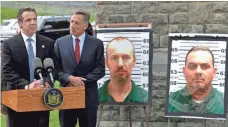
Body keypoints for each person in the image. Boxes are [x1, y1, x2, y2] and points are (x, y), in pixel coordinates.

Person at [1, 7, 54, 127]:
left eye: (35, 19)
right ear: (20, 24)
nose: (33, 22)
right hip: (18, 98)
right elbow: (7, 70)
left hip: (41, 98)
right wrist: (27, 85)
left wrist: (45, 82)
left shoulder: (48, 43)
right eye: (28, 20)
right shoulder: (9, 44)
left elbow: (53, 68)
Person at [54, 10, 105, 127]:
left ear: (85, 25)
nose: (72, 25)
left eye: (76, 23)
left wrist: (81, 81)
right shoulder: (59, 43)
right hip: (67, 96)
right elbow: (55, 69)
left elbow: (100, 69)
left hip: (88, 99)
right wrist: (69, 78)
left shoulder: (96, 44)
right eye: (71, 21)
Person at [168, 46, 224, 114]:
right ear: (184, 72)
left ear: (214, 73)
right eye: (192, 66)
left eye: (205, 66)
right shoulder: (170, 102)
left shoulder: (224, 102)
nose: (198, 71)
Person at [99, 37, 148, 103]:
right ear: (106, 62)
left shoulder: (147, 99)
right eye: (114, 58)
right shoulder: (91, 99)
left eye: (126, 57)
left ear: (134, 61)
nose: (120, 64)